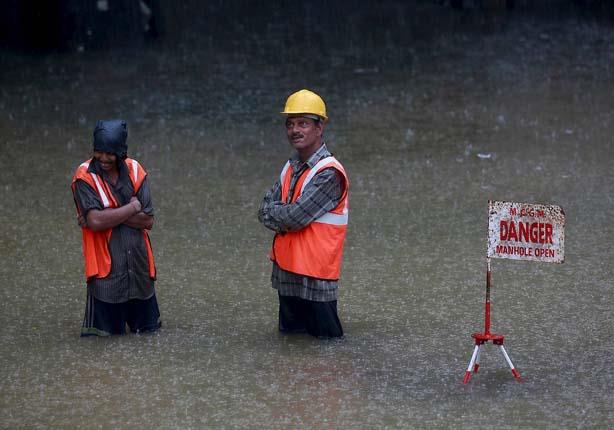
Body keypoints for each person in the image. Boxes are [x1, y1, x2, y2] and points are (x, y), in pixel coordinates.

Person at [258, 89, 349, 338]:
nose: (294, 130)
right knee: (292, 348)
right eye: (290, 124)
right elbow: (262, 211)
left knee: (327, 350)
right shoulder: (291, 166)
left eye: (303, 123)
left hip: (317, 278)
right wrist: (282, 214)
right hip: (287, 273)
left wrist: (280, 213)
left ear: (319, 128)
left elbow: (294, 218)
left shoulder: (329, 172)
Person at [71, 119, 161, 336]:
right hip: (106, 278)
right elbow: (95, 222)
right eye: (98, 152)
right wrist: (132, 207)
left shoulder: (136, 170)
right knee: (101, 343)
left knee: (150, 336)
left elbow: (148, 220)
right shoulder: (84, 177)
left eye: (110, 153)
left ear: (121, 152)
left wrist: (107, 214)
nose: (103, 158)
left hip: (139, 271)